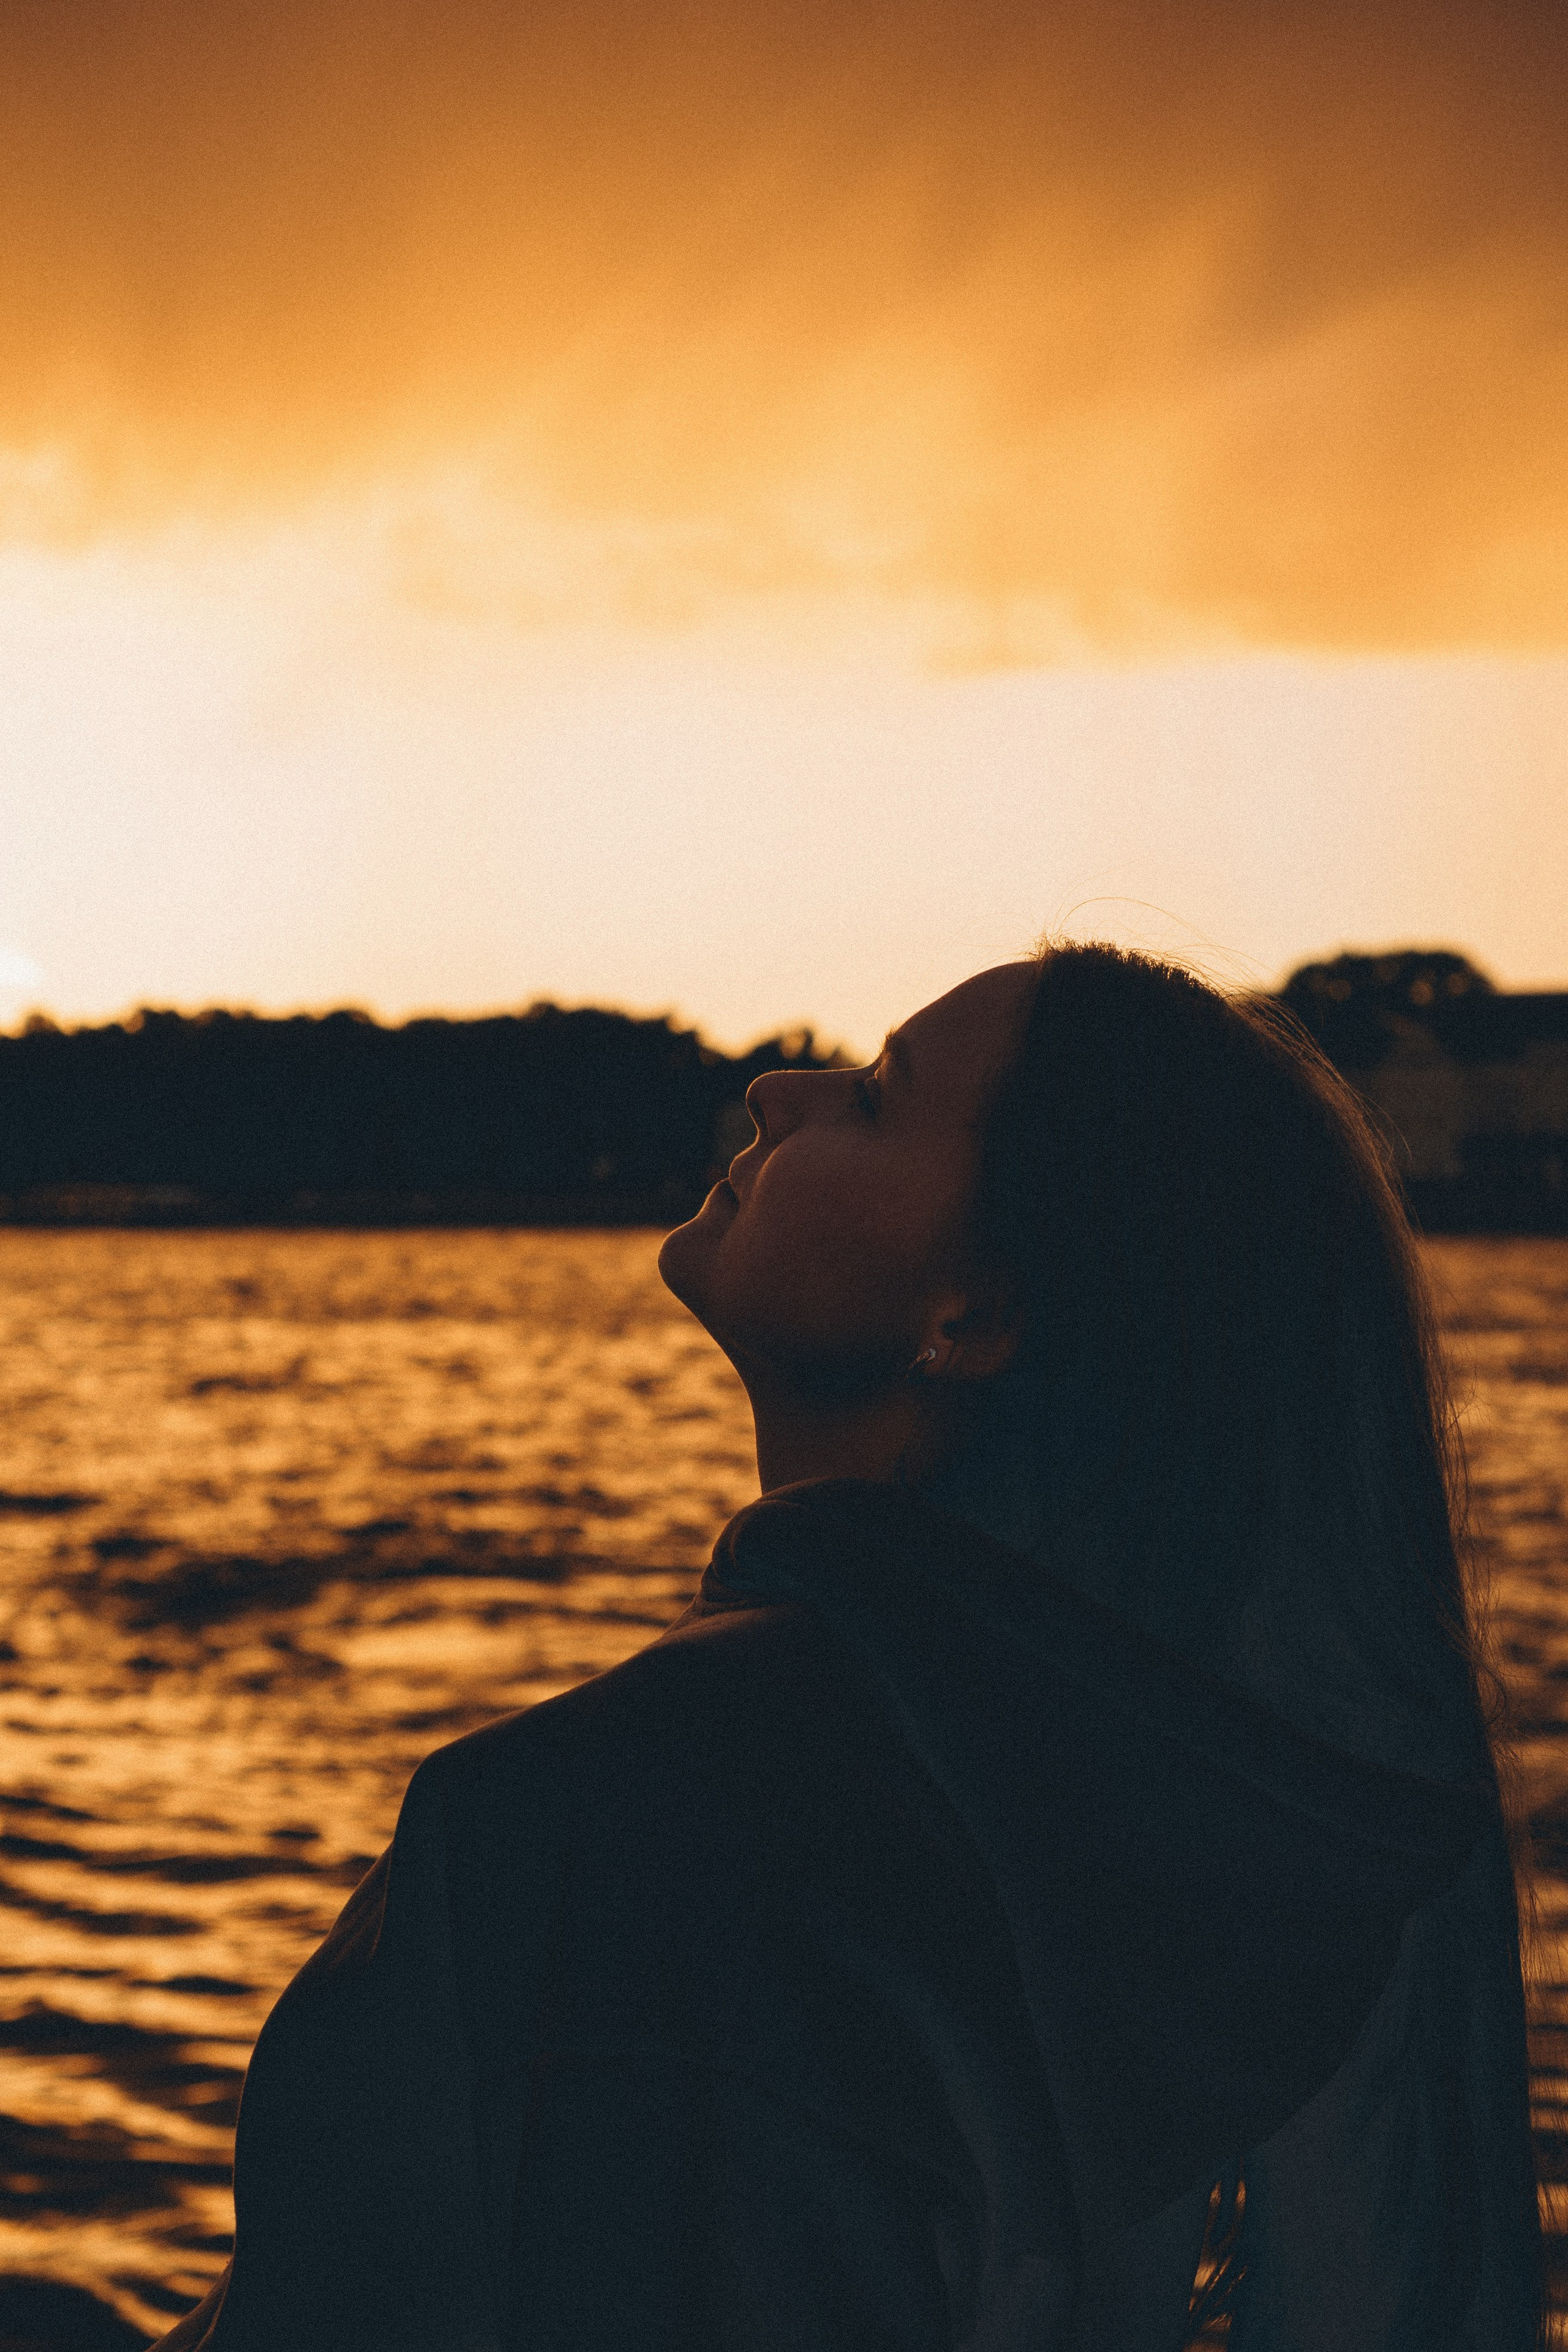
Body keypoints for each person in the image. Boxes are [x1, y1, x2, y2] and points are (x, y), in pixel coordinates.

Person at [156, 943, 1545, 2351]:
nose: (776, 1087)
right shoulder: (1173, 1861)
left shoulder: (662, 1803)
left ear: (975, 1312)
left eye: (877, 1099)